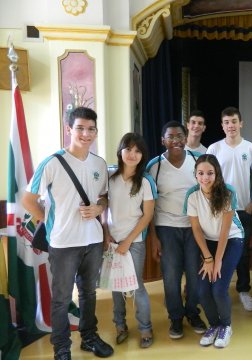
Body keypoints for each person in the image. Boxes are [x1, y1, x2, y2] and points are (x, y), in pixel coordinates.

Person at [22, 107, 113, 360]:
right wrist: (53, 221)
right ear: (69, 129)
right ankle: (61, 347)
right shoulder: (52, 163)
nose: (86, 133)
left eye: (91, 129)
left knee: (89, 293)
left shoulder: (99, 163)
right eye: (80, 128)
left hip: (93, 240)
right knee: (62, 299)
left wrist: (99, 207)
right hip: (63, 243)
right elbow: (28, 200)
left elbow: (104, 197)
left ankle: (89, 337)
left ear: (96, 131)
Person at [146, 121, 207, 340]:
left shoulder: (196, 161)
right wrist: (153, 237)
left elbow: (205, 194)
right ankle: (175, 318)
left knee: (194, 274)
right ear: (163, 141)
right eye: (170, 137)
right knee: (171, 276)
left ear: (186, 137)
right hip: (166, 227)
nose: (176, 141)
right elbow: (148, 204)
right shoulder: (155, 166)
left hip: (193, 227)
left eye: (179, 136)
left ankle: (192, 312)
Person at [184, 154, 244, 348]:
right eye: (200, 173)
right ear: (195, 174)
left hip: (232, 239)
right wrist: (208, 258)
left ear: (217, 174)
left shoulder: (228, 192)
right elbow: (196, 229)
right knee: (202, 290)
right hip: (208, 242)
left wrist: (217, 261)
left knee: (218, 288)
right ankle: (214, 325)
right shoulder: (192, 195)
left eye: (210, 173)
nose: (205, 177)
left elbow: (225, 231)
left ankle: (226, 325)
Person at [103, 133, 157, 348]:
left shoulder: (145, 181)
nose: (132, 154)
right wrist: (107, 234)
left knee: (136, 287)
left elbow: (147, 216)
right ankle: (120, 326)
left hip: (134, 242)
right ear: (120, 151)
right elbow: (103, 209)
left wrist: (127, 242)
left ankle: (145, 328)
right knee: (115, 286)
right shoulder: (110, 177)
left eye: (137, 150)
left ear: (142, 155)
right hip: (112, 241)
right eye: (128, 149)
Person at [206, 106, 252, 312]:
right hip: (219, 209)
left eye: (234, 121)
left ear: (241, 123)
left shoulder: (251, 148)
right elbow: (208, 176)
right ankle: (216, 287)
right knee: (217, 248)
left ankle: (243, 289)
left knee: (243, 252)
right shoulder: (214, 149)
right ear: (222, 126)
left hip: (243, 209)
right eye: (226, 122)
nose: (231, 125)